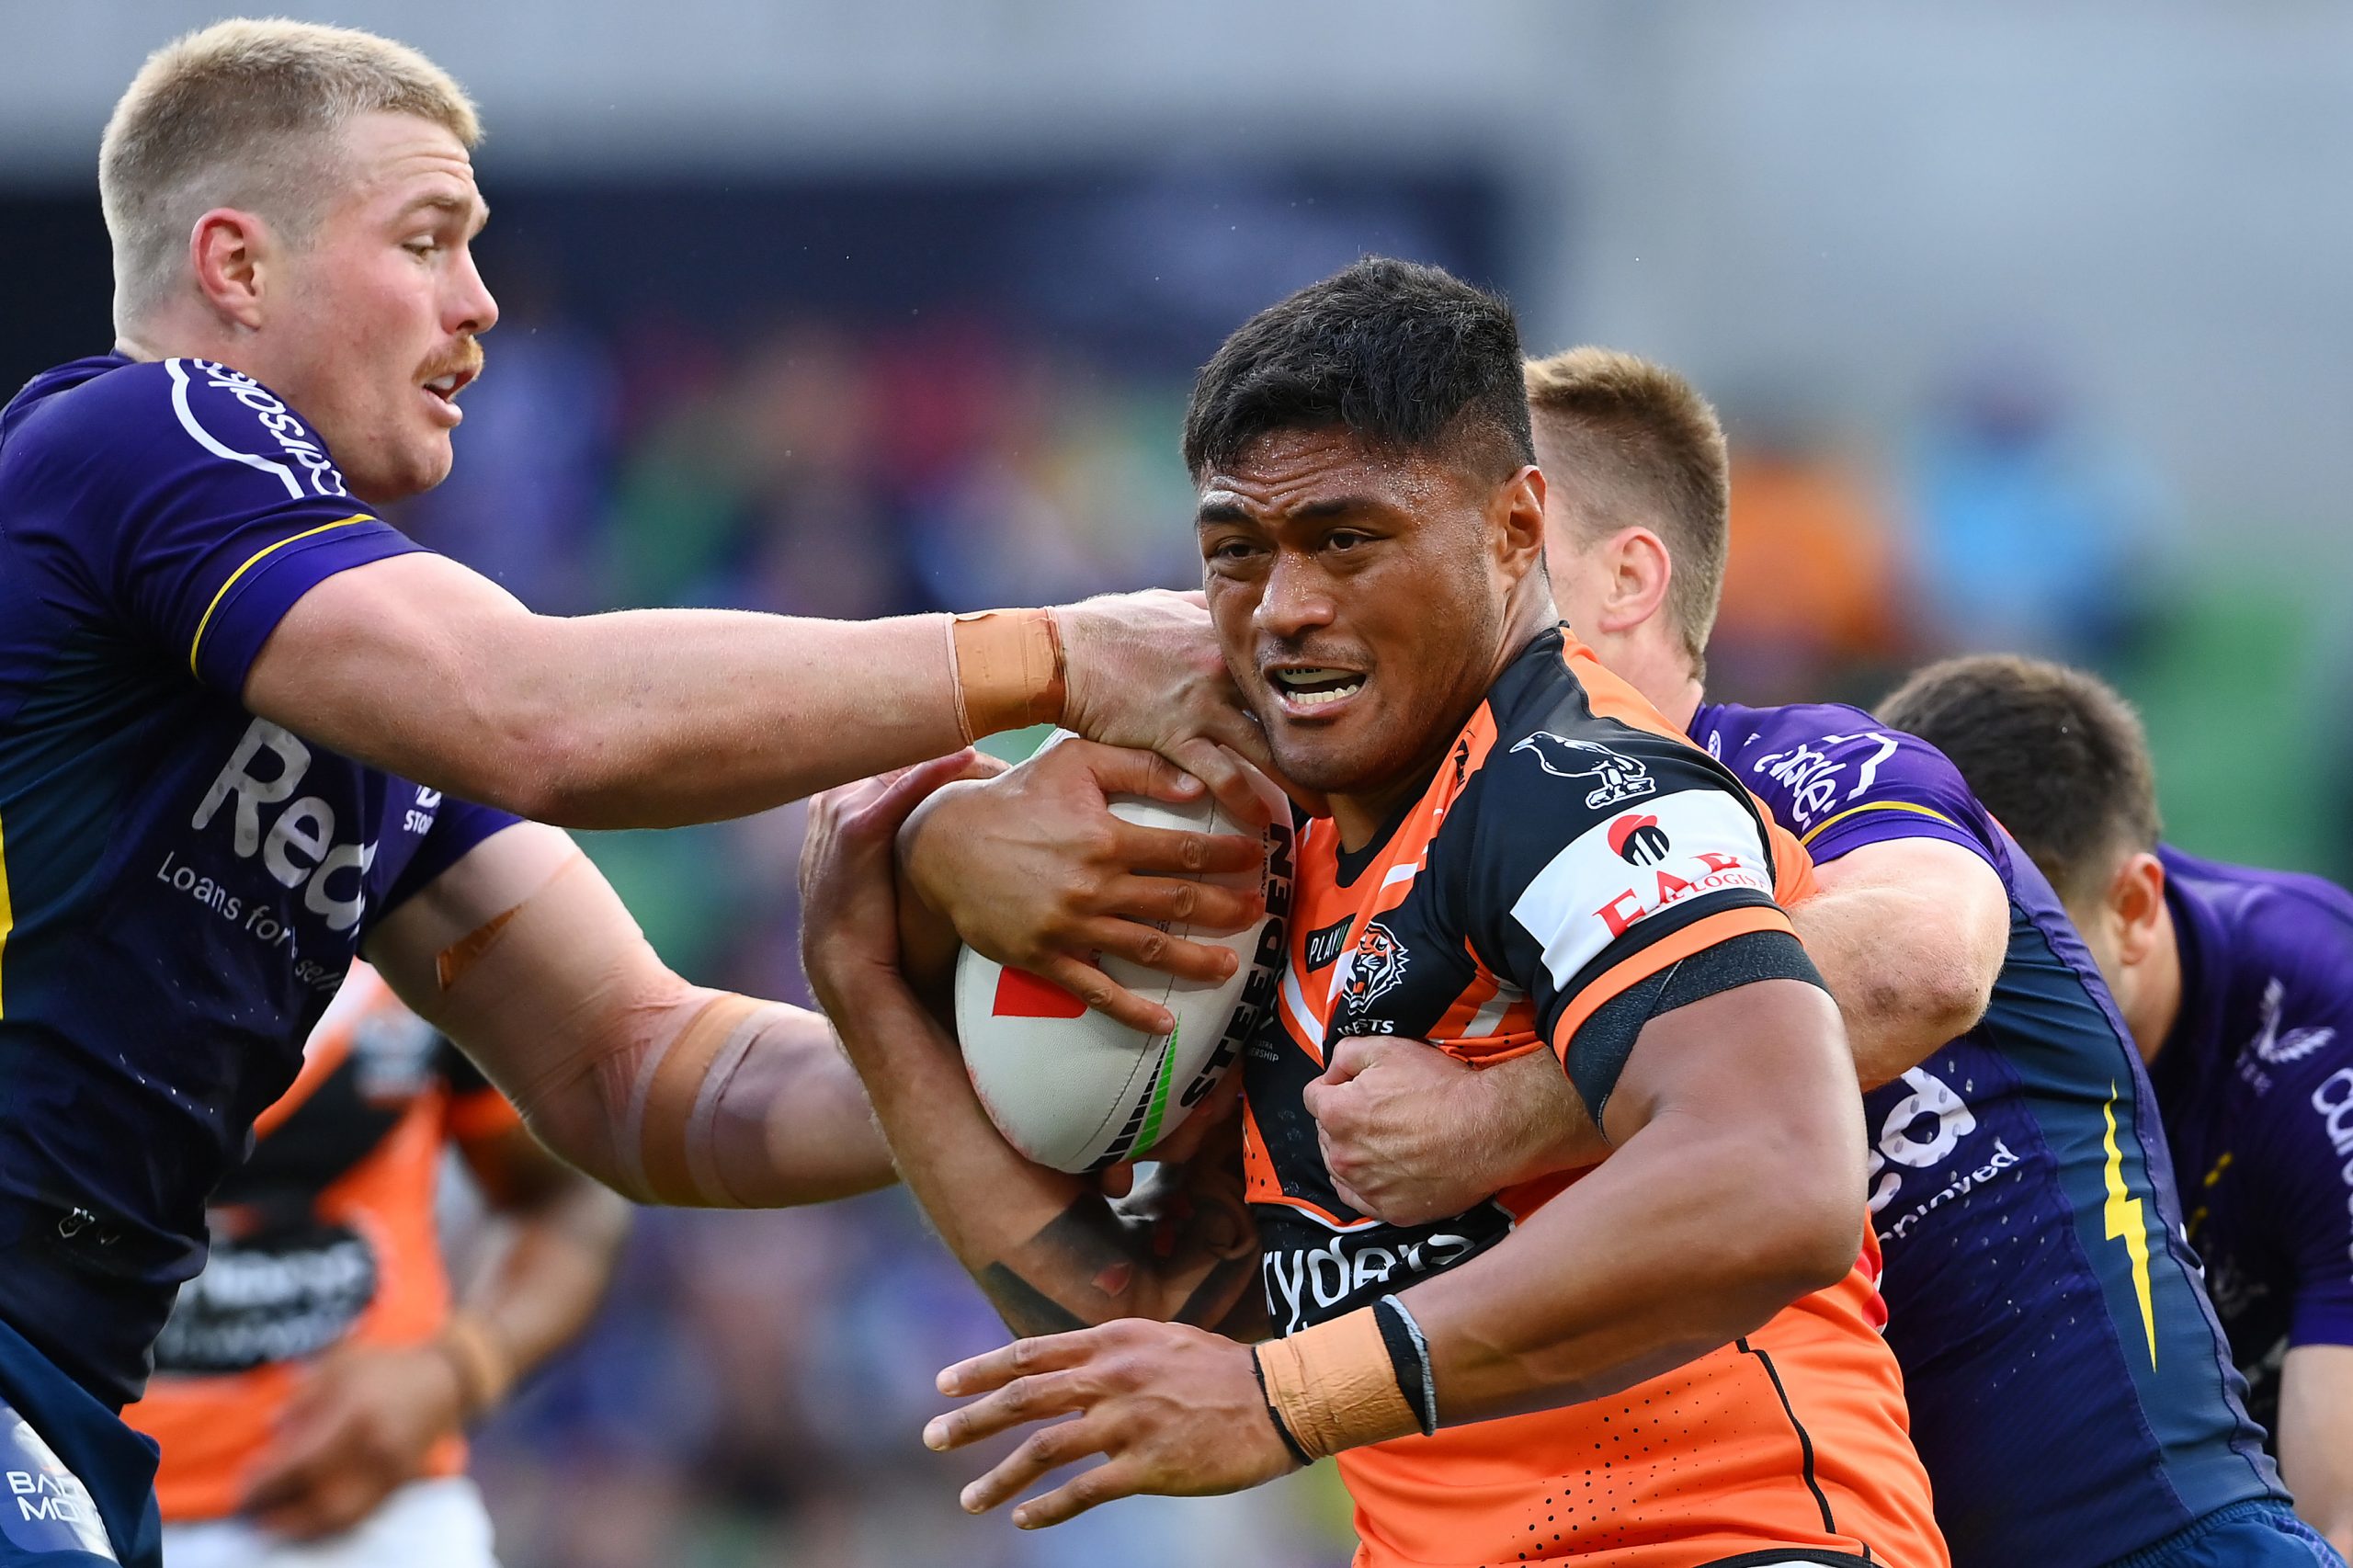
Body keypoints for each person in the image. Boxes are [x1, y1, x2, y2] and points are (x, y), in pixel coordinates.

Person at [0, 20, 1266, 1566]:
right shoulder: (151, 430)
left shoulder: (347, 680)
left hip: (66, 1382)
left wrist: (1053, 1082)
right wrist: (1050, 652)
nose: (482, 306)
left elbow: (649, 1078)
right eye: (427, 242)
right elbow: (538, 716)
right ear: (236, 268)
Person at [807, 258, 1949, 1568]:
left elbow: (1776, 1175)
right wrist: (861, 975)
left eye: (1346, 539)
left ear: (1519, 530)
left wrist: (1283, 1400)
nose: (1286, 608)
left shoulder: (1572, 783)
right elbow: (1167, 1313)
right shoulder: (1282, 848)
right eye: (1237, 551)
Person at [1880, 653, 2353, 1556]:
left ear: (2134, 906)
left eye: (2023, 956)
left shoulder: (2320, 1027)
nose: (1976, 1017)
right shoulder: (1907, 993)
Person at [119, 965, 627, 1567]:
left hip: (363, 1516)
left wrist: (457, 1370)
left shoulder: (433, 907)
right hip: (47, 1503)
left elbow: (571, 1199)